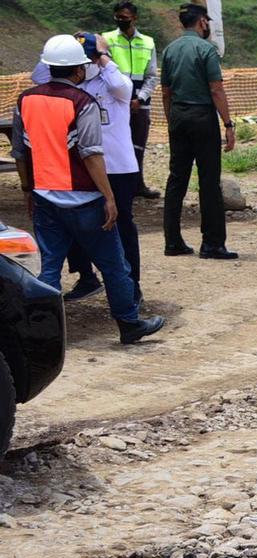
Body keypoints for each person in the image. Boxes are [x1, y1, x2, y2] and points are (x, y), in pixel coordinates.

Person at [13, 35, 164, 345]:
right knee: (114, 265)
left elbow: (19, 151)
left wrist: (29, 189)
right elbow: (91, 154)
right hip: (84, 198)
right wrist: (109, 197)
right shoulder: (83, 103)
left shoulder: (26, 100)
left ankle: (44, 333)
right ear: (79, 71)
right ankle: (128, 324)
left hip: (44, 196)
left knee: (50, 265)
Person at [32, 33, 144, 304]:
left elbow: (123, 86)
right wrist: (58, 48)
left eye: (91, 58)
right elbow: (39, 76)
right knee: (72, 226)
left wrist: (103, 55)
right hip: (84, 167)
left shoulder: (111, 81)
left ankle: (132, 287)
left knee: (121, 227)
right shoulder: (68, 85)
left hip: (117, 167)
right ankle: (86, 276)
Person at [160, 2, 237, 260]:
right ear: (202, 22)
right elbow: (216, 89)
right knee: (208, 181)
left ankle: (173, 241)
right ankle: (212, 244)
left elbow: (166, 91)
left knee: (176, 179)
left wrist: (172, 119)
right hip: (202, 117)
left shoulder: (170, 50)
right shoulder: (207, 50)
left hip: (178, 116)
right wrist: (228, 124)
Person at [102, 1, 161, 199]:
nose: (121, 21)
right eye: (118, 17)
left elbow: (152, 76)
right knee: (114, 144)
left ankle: (138, 184)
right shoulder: (107, 39)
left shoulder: (147, 42)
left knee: (138, 144)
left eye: (125, 18)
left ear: (134, 18)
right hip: (114, 102)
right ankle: (115, 186)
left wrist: (140, 98)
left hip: (140, 103)